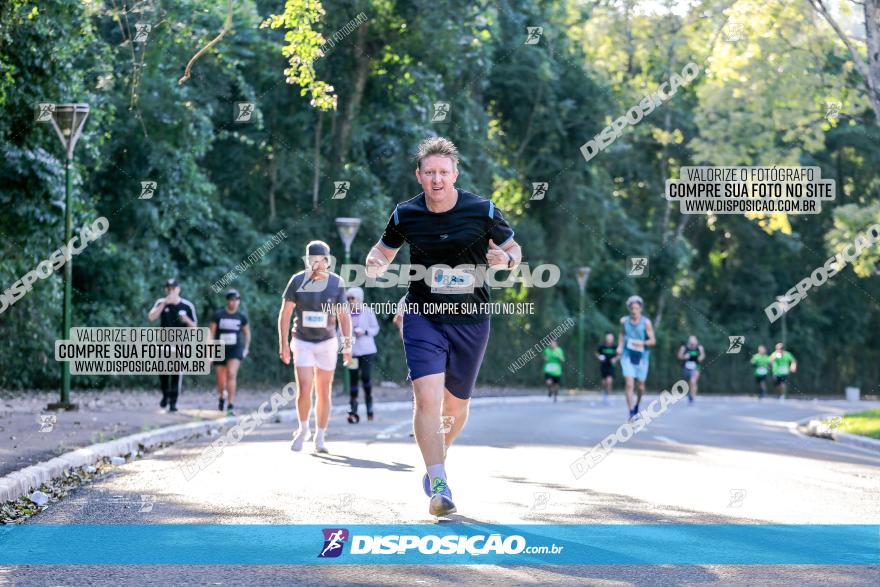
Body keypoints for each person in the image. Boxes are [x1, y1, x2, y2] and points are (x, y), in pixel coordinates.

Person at [364, 136, 521, 517]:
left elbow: (514, 252)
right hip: (423, 314)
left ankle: (439, 451)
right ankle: (438, 481)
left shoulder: (481, 210)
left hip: (471, 319)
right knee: (427, 400)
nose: (437, 179)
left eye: (444, 173)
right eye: (430, 172)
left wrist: (505, 259)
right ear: (419, 176)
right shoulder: (405, 214)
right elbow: (381, 251)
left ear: (455, 175)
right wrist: (374, 262)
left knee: (457, 407)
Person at [278, 241, 352, 454]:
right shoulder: (297, 280)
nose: (317, 265)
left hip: (327, 342)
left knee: (323, 390)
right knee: (304, 387)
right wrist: (283, 343)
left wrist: (347, 346)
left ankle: (320, 436)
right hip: (302, 340)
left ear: (327, 261)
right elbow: (285, 314)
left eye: (321, 261)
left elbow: (344, 317)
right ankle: (303, 429)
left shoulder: (336, 282)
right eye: (313, 261)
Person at [147, 278, 197, 412]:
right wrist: (163, 304)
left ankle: (173, 402)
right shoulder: (160, 303)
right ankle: (165, 395)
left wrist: (186, 319)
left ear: (178, 289)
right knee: (163, 373)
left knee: (176, 374)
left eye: (173, 289)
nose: (171, 291)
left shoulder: (187, 306)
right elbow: (151, 317)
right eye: (168, 289)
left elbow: (194, 327)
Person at [209, 289, 250, 416]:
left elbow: (247, 333)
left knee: (232, 374)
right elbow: (211, 333)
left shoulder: (241, 317)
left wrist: (246, 348)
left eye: (236, 300)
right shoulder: (218, 315)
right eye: (231, 300)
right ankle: (222, 396)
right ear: (227, 301)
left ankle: (231, 404)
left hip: (235, 349)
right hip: (220, 348)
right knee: (221, 378)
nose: (233, 303)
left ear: (238, 302)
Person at [616, 295, 656, 420]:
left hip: (642, 356)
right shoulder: (624, 321)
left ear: (640, 309)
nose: (634, 311)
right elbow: (622, 334)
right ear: (629, 308)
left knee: (641, 386)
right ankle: (631, 411)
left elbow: (653, 341)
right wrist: (620, 346)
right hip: (627, 355)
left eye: (636, 308)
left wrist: (642, 343)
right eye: (632, 308)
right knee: (629, 383)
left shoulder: (646, 322)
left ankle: (637, 404)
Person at [346, 287, 379, 423]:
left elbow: (375, 328)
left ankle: (369, 409)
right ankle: (353, 411)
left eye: (352, 298)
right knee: (353, 380)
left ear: (359, 299)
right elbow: (339, 333)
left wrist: (364, 332)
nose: (350, 301)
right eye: (348, 298)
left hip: (367, 351)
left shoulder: (368, 311)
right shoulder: (345, 313)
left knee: (365, 377)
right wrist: (345, 351)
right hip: (352, 352)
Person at [677, 335, 705, 404]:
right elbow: (679, 356)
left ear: (696, 341)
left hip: (696, 367)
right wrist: (684, 357)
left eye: (694, 341)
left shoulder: (699, 347)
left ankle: (693, 397)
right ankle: (690, 393)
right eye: (691, 342)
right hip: (686, 367)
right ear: (689, 341)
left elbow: (702, 355)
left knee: (693, 381)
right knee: (689, 382)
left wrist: (700, 358)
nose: (692, 343)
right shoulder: (684, 348)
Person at [596, 332, 618, 404]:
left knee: (609, 381)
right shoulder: (602, 347)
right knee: (604, 383)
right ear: (606, 339)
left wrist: (615, 359)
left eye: (610, 338)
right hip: (603, 366)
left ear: (612, 339)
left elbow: (619, 355)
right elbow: (596, 353)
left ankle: (609, 397)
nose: (609, 339)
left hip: (611, 366)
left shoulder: (615, 347)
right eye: (608, 338)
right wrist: (599, 357)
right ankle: (605, 395)